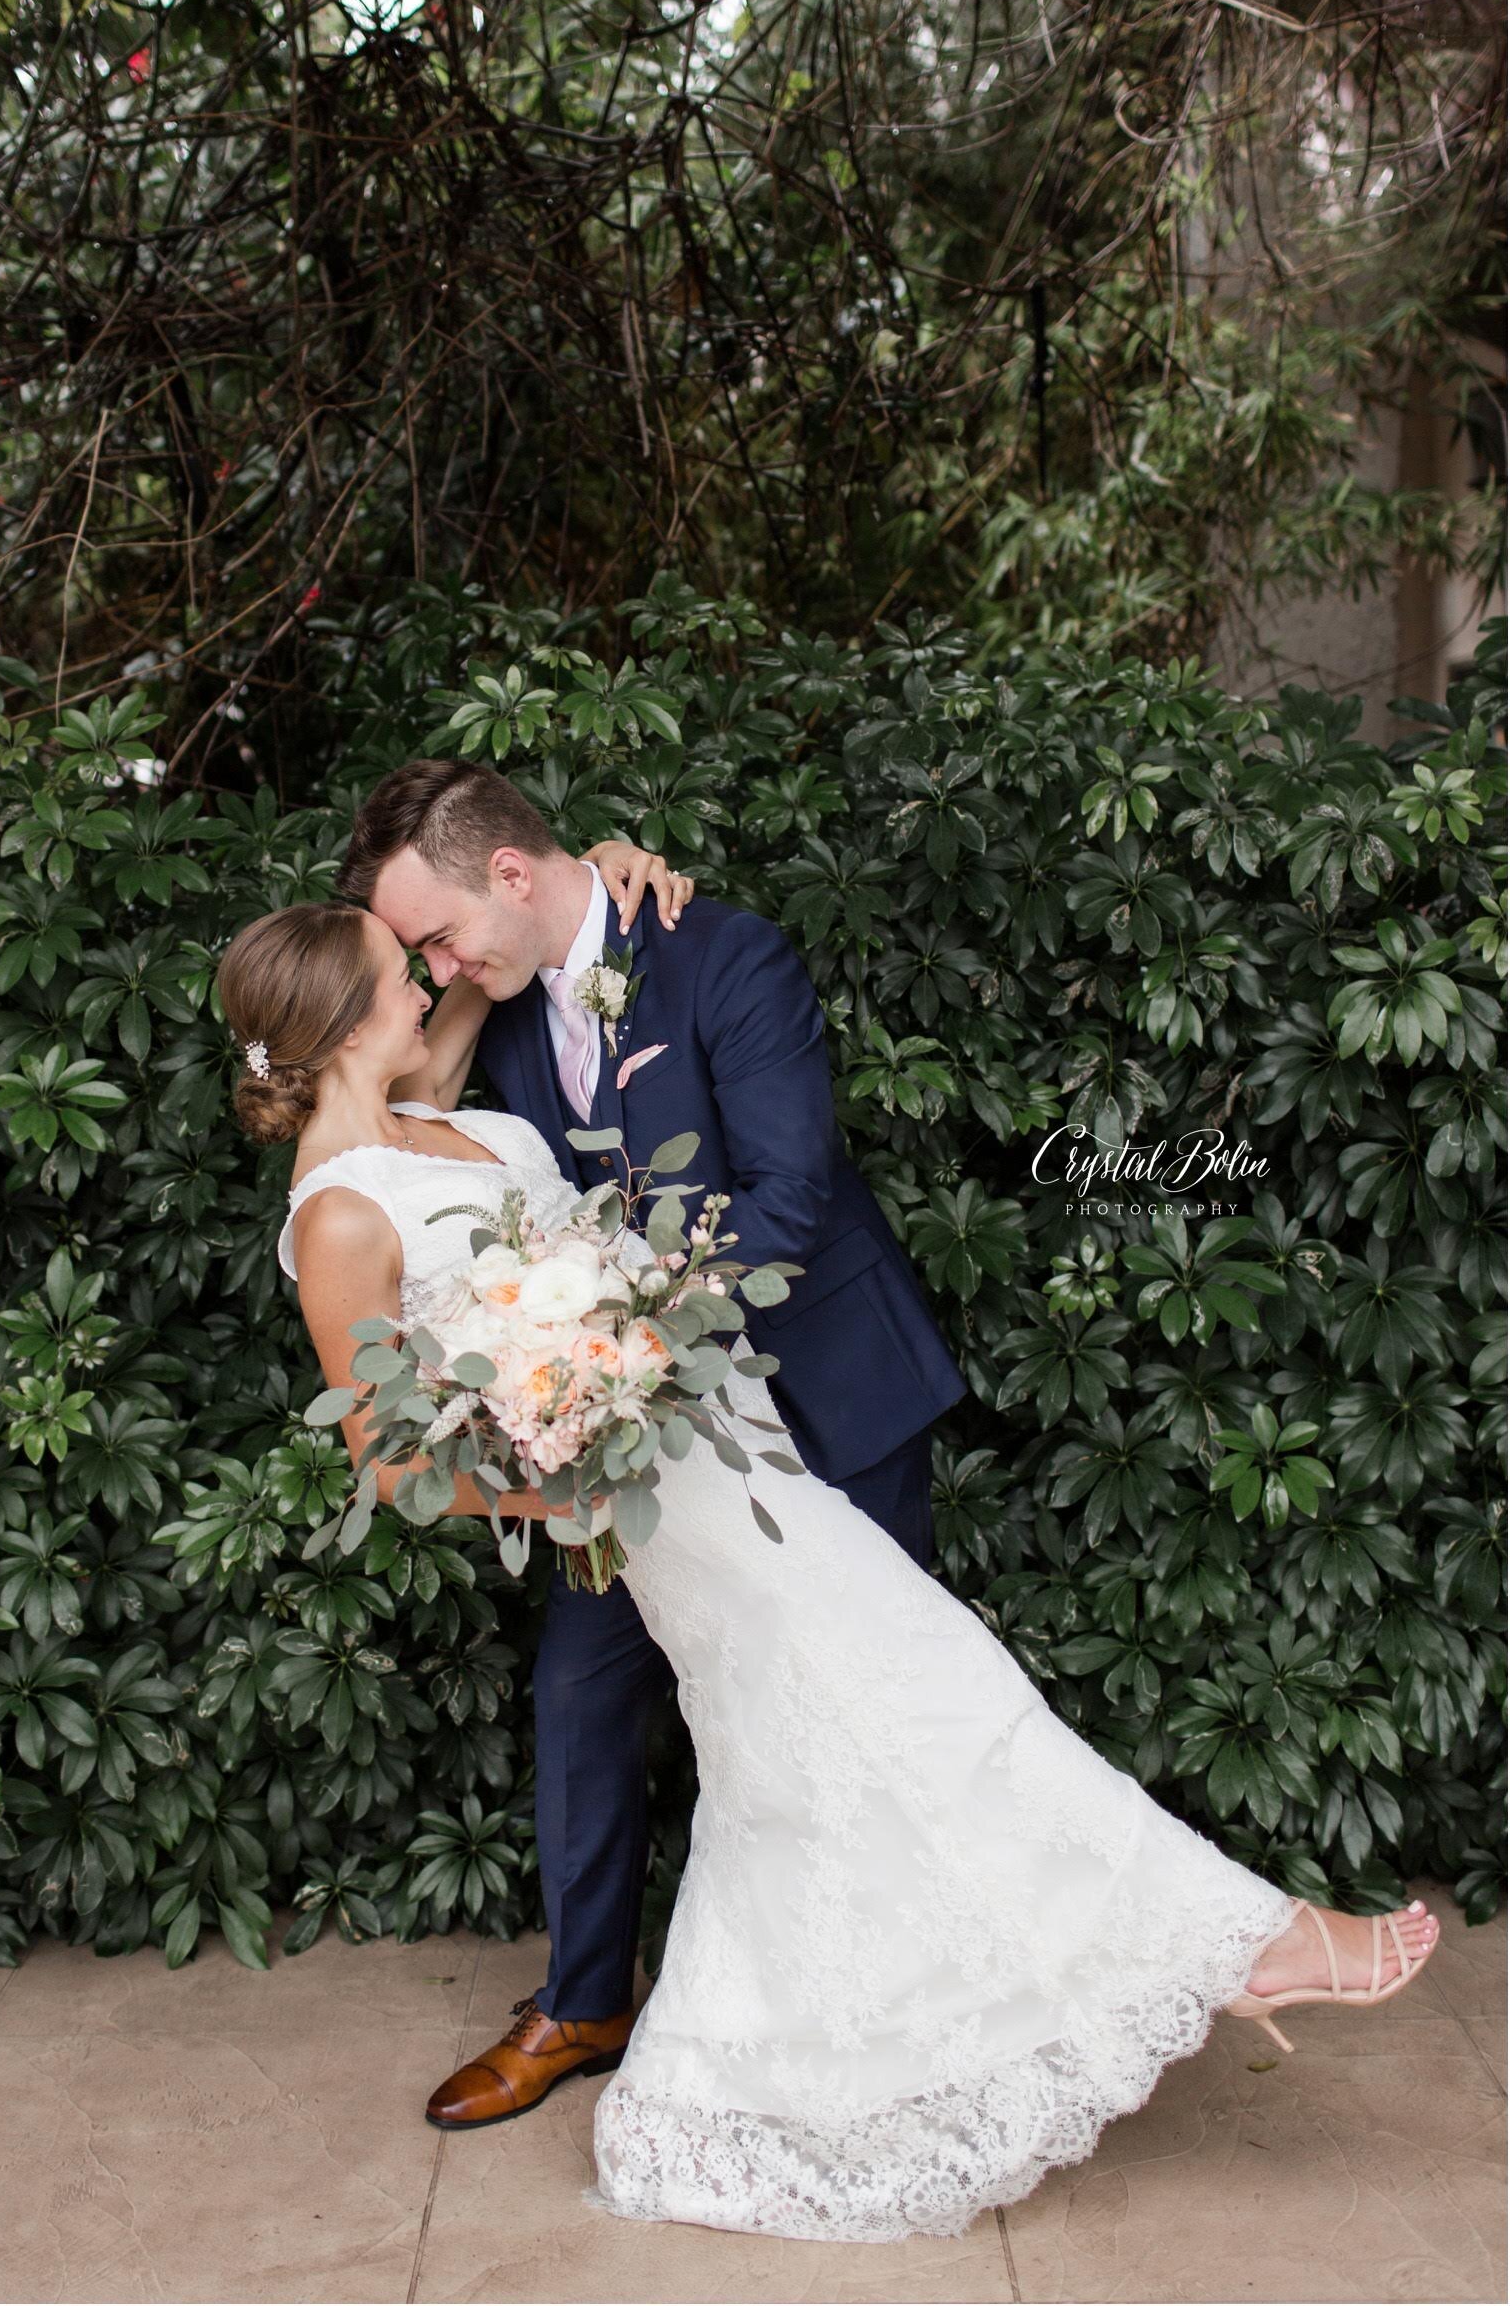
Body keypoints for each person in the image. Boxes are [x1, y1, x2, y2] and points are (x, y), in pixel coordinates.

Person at [218, 906, 1440, 2245]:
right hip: (653, 1492)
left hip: (730, 1433)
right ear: (343, 1025)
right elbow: (393, 1465)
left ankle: (780, 2058)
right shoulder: (337, 1214)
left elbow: (508, 957)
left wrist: (614, 868)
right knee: (925, 1676)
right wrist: (558, 1464)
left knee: (795, 1752)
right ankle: (1240, 1942)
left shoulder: (453, 1117)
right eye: (407, 974)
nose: (434, 979)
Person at [332, 760, 970, 2129]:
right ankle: (582, 1996)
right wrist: (581, 1386)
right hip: (635, 1446)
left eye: (438, 935)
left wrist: (624, 1348)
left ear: (509, 873)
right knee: (581, 1692)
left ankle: (897, 2003)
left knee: (875, 1702)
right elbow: (371, 1135)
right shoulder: (490, 1013)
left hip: (826, 1395)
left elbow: (787, 1199)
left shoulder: (720, 952)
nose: (434, 969)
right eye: (418, 956)